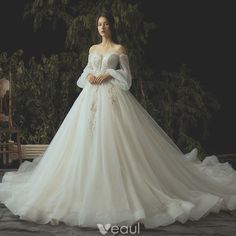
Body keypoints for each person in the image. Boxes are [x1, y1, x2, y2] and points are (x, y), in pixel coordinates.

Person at [0, 10, 236, 230]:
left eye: (106, 24)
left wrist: (109, 73)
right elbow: (83, 75)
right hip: (89, 101)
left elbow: (127, 80)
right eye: (99, 24)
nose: (102, 27)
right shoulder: (93, 49)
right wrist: (91, 75)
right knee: (84, 143)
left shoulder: (120, 49)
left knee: (115, 144)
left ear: (112, 26)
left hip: (112, 100)